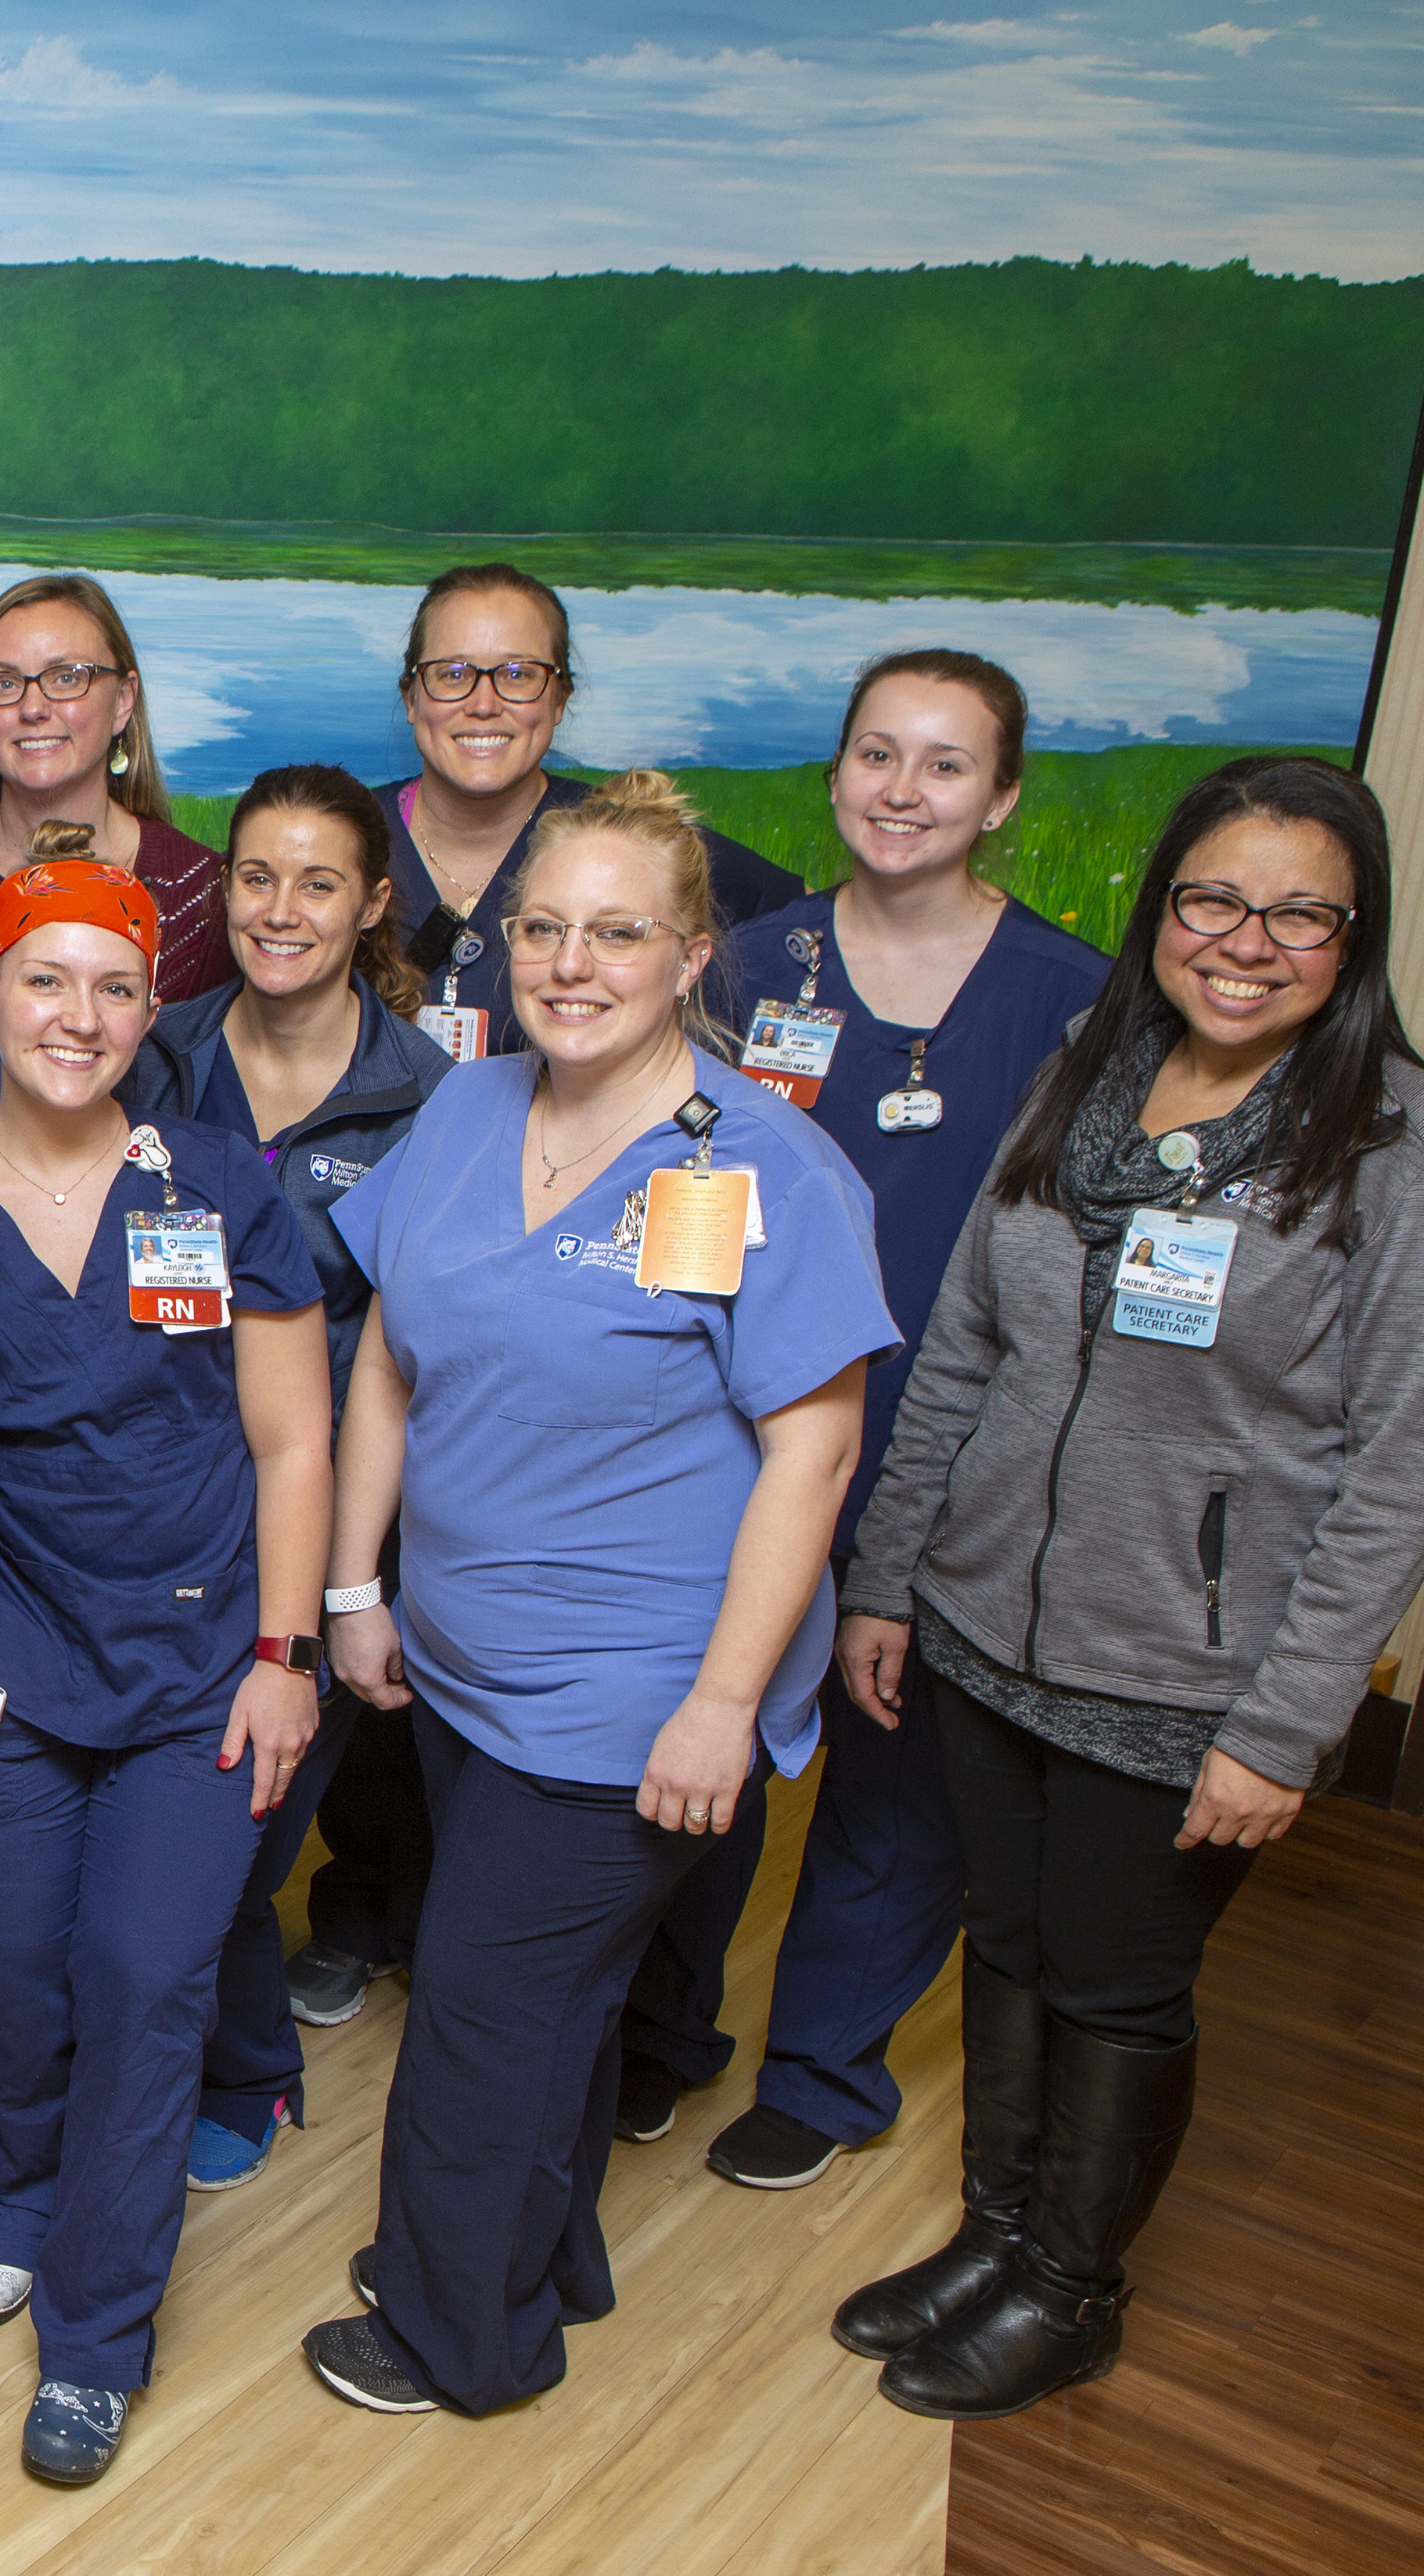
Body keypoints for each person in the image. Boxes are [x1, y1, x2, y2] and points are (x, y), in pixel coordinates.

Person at [829, 756, 1424, 2421]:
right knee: (1009, 1942)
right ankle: (995, 2237)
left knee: (1114, 1979)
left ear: (1353, 938)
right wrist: (887, 1577)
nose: (1246, 941)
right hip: (982, 1625)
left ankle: (1070, 2287)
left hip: (1184, 1672)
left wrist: (1282, 1726)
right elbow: (964, 1343)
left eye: (1300, 914)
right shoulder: (1086, 1069)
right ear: (1161, 904)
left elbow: (1394, 1467)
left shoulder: (1383, 1142)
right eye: (1211, 897)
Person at [301, 772, 895, 2418]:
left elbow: (814, 1455)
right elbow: (386, 1365)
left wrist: (721, 1704)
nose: (570, 963)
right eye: (542, 928)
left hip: (631, 1691)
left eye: (616, 932)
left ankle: (457, 2334)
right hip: (461, 1660)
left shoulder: (764, 1167)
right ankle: (536, 2255)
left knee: (481, 2012)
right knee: (542, 2004)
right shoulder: (465, 1109)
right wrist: (354, 1584)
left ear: (691, 953)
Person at [0, 855, 330, 2481]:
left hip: (198, 1663)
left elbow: (292, 1438)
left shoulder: (216, 1186)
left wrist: (283, 1650)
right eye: (43, 977)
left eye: (111, 985)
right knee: (10, 1963)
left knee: (145, 1976)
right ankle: (18, 2194)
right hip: (3, 1657)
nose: (74, 1015)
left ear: (149, 1010)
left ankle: (94, 2334)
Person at [685, 654, 1107, 2193]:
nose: (902, 790)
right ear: (835, 773)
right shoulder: (748, 966)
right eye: (876, 753)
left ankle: (821, 2069)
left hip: (948, 1449)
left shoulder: (1073, 998)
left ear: (999, 797)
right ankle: (658, 2027)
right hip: (737, 1434)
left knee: (891, 1760)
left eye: (943, 764)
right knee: (699, 1735)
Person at [117, 765, 448, 2190]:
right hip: (151, 1504)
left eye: (318, 882)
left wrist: (352, 1582)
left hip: (319, 1511)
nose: (279, 909)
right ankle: (187, 2051)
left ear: (372, 902)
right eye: (254, 876)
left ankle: (244, 2064)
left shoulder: (430, 1100)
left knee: (244, 1826)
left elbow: (408, 1358)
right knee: (160, 1815)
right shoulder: (150, 1051)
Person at [373, 562, 803, 1062]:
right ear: (411, 697)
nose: (484, 704)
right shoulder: (343, 838)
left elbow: (807, 916)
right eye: (452, 674)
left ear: (560, 699)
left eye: (518, 674)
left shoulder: (623, 836)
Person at [0, 573, 233, 1004]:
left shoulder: (201, 897)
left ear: (123, 700)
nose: (33, 708)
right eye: (4, 683)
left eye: (67, 678)